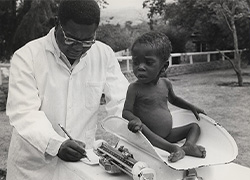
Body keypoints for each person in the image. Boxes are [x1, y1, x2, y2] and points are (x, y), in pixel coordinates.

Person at [6, 0, 129, 179]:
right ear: (58, 23)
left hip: (80, 164)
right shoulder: (26, 57)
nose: (78, 47)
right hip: (33, 167)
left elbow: (121, 101)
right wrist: (55, 144)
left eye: (88, 41)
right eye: (70, 39)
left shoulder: (104, 54)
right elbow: (24, 113)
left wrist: (128, 134)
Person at [122, 32, 206, 163]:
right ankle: (173, 149)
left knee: (194, 127)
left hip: (168, 134)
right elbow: (126, 111)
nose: (141, 67)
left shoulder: (165, 84)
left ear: (164, 66)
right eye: (136, 62)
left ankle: (188, 146)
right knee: (143, 127)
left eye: (148, 63)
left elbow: (174, 99)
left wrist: (190, 106)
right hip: (148, 136)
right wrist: (135, 120)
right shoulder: (134, 88)